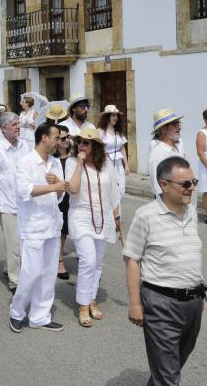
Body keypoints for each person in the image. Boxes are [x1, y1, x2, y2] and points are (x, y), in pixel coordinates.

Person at [124, 156, 207, 386]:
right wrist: (135, 304)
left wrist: (198, 292)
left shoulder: (190, 211)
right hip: (161, 304)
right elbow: (132, 259)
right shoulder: (146, 215)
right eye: (185, 184)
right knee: (168, 376)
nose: (191, 188)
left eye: (194, 182)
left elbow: (191, 255)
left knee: (174, 363)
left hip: (192, 303)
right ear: (164, 184)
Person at [9, 122, 67, 334]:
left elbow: (59, 197)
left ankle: (40, 316)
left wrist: (59, 186)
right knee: (31, 273)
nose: (58, 142)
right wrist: (54, 186)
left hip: (52, 225)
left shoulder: (55, 163)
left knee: (49, 274)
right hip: (33, 226)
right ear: (44, 137)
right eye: (56, 138)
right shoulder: (25, 162)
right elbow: (25, 190)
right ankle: (17, 312)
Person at [65, 125, 120, 327]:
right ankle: (82, 304)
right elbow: (72, 189)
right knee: (87, 260)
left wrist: (117, 215)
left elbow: (114, 191)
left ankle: (92, 298)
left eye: (86, 142)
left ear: (95, 146)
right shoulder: (71, 162)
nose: (81, 145)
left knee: (97, 263)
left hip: (103, 217)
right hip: (81, 216)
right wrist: (79, 164)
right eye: (79, 141)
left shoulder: (106, 165)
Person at [0, 112, 28, 292]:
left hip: (25, 202)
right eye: (14, 124)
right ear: (3, 128)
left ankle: (8, 267)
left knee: (21, 241)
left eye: (18, 123)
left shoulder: (25, 145)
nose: (18, 127)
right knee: (15, 244)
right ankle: (15, 281)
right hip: (7, 203)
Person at [98, 104, 130, 215]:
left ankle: (117, 215)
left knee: (121, 190)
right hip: (107, 164)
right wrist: (102, 155)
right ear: (107, 117)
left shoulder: (118, 132)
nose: (115, 118)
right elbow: (97, 148)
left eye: (116, 115)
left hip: (118, 165)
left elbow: (122, 148)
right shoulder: (101, 132)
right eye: (112, 115)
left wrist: (126, 165)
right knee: (110, 190)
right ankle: (110, 216)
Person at [148, 109, 187, 199]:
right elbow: (158, 188)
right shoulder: (158, 154)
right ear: (163, 128)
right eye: (174, 124)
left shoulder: (178, 144)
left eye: (179, 123)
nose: (179, 127)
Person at [53, 125, 72, 280]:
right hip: (59, 198)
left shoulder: (75, 157)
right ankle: (59, 260)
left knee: (66, 231)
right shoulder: (52, 160)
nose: (66, 141)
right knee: (61, 230)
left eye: (67, 137)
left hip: (74, 198)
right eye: (62, 138)